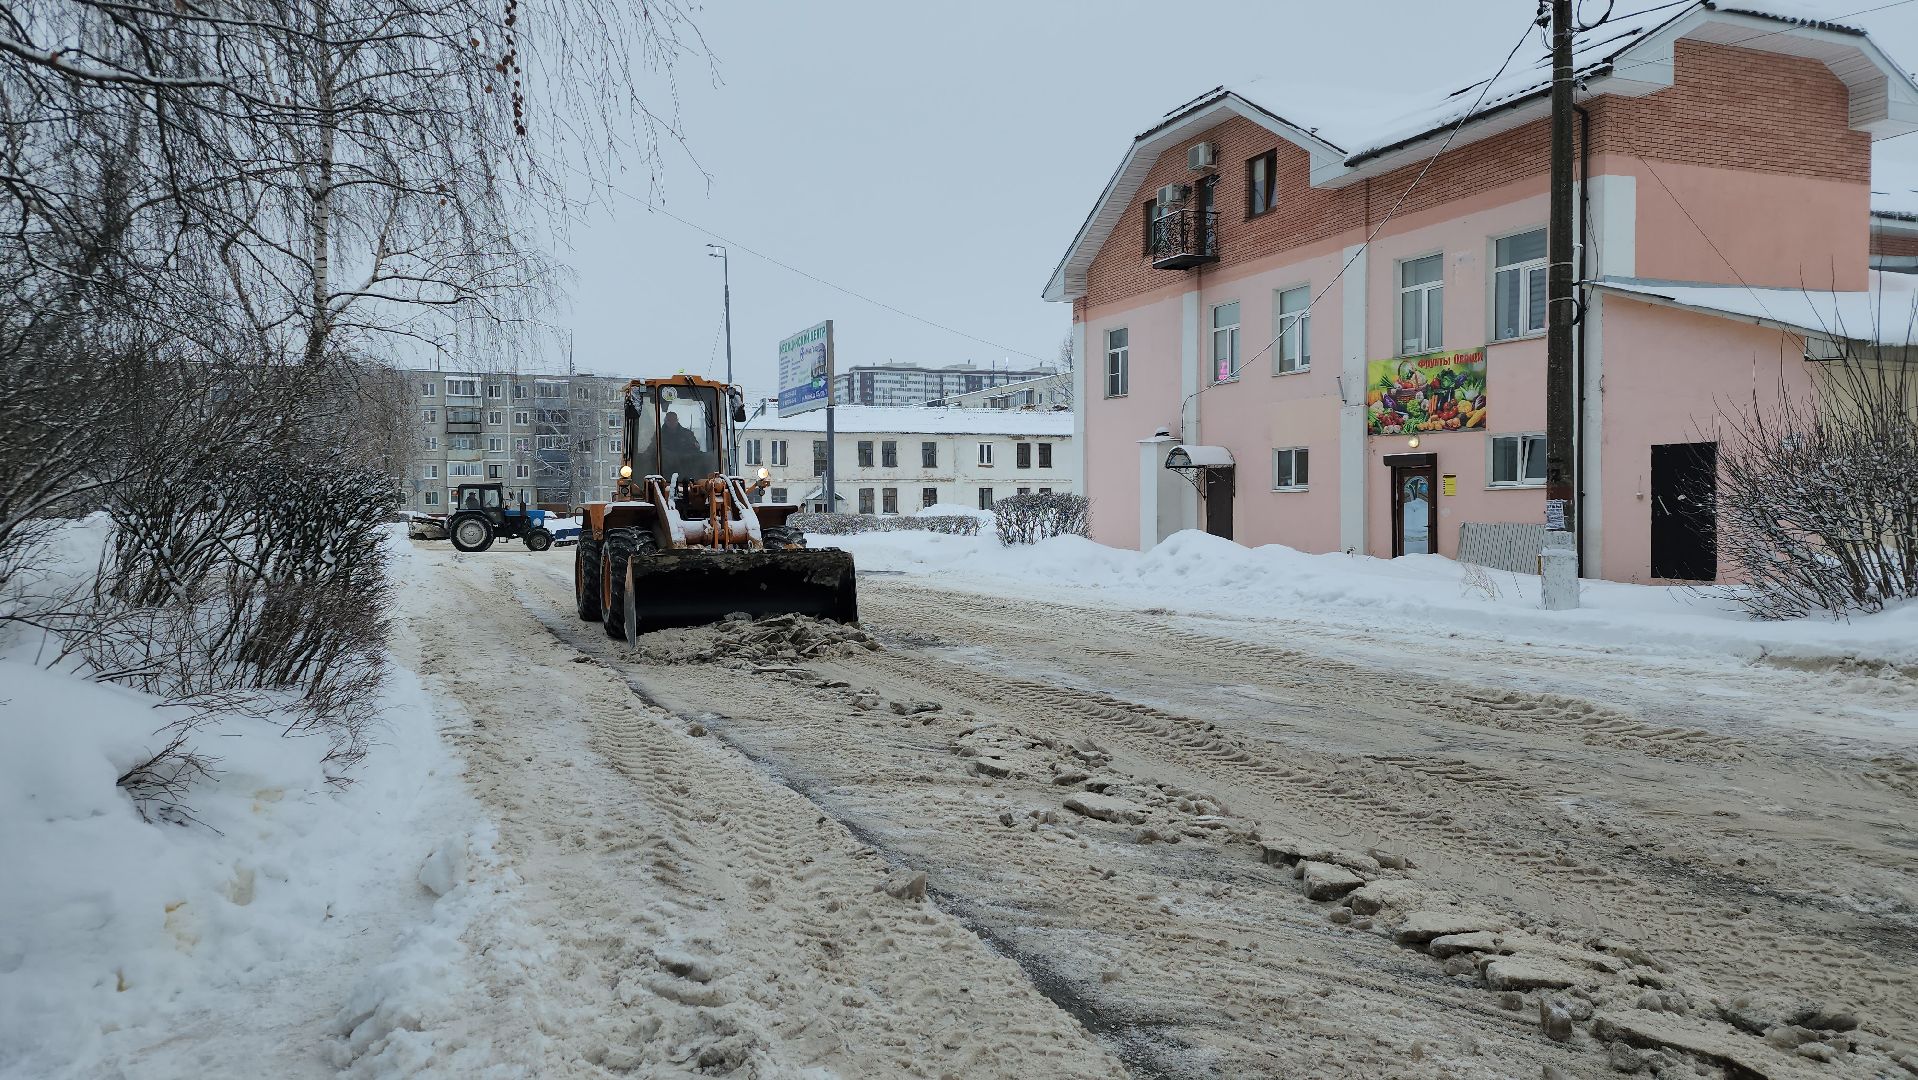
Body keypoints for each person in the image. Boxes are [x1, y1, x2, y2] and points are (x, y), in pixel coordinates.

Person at [660, 409, 704, 478]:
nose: (672, 422)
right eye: (669, 420)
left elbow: (696, 447)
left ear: (677, 420)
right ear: (665, 421)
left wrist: (694, 445)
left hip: (686, 467)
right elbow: (653, 449)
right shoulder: (659, 436)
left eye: (674, 420)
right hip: (666, 469)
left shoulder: (687, 433)